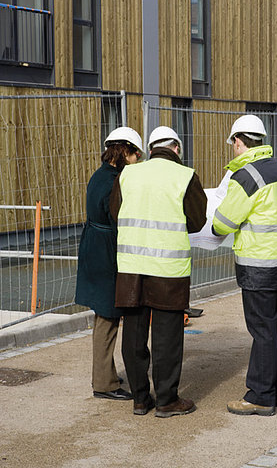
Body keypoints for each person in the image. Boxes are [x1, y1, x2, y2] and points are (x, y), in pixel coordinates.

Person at [110, 126, 207, 417]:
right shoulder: (185, 176)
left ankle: (140, 398)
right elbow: (198, 220)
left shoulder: (128, 174)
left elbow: (115, 213)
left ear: (150, 149)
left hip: (131, 268)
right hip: (168, 269)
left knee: (134, 332)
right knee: (167, 335)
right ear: (176, 148)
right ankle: (166, 400)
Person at [212, 115, 277, 416]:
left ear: (239, 141)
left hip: (258, 265)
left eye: (232, 143)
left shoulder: (246, 176)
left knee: (262, 330)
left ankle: (261, 396)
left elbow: (223, 223)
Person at [75, 126, 145, 400]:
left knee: (104, 315)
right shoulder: (115, 181)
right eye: (136, 153)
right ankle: (104, 383)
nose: (138, 158)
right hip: (106, 251)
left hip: (94, 247)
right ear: (125, 151)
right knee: (107, 316)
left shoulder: (100, 175)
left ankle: (105, 375)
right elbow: (119, 219)